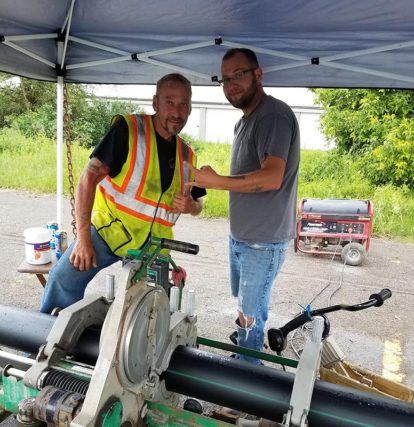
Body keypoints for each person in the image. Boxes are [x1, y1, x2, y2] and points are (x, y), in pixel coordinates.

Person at [40, 73, 206, 314]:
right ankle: (45, 343)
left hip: (153, 248)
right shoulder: (128, 130)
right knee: (63, 278)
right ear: (155, 103)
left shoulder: (188, 155)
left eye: (184, 104)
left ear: (190, 108)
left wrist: (191, 206)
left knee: (151, 310)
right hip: (108, 232)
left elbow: (199, 202)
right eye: (169, 102)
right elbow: (88, 179)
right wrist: (83, 238)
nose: (177, 111)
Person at [186, 49, 300, 364]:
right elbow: (248, 176)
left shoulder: (273, 115)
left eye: (239, 74)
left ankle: (248, 378)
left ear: (258, 74)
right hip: (242, 237)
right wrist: (207, 181)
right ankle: (247, 348)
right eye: (225, 78)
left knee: (249, 314)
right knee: (247, 305)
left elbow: (272, 176)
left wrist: (217, 181)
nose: (231, 84)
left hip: (262, 242)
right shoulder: (244, 122)